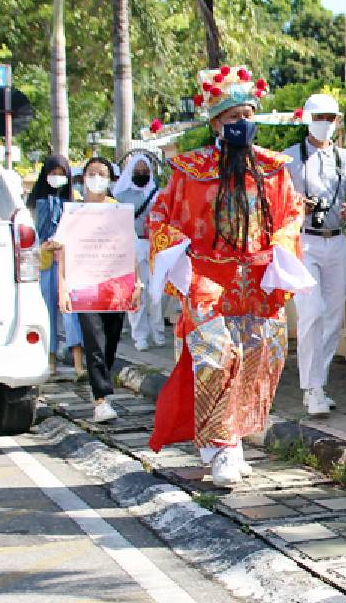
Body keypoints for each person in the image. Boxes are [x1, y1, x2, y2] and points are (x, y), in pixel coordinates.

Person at [147, 64, 310, 488]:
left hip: (258, 278)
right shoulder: (189, 170)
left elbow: (292, 215)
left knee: (261, 359)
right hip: (207, 277)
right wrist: (179, 255)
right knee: (216, 357)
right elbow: (162, 218)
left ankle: (232, 439)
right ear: (216, 122)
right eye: (235, 116)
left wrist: (282, 250)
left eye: (248, 114)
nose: (244, 123)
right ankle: (220, 447)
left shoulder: (274, 169)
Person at [283, 93, 346, 416]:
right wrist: (296, 205)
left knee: (333, 315)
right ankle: (312, 387)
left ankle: (318, 382)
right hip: (303, 241)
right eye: (319, 117)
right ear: (307, 119)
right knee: (312, 311)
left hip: (336, 241)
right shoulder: (289, 159)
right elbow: (273, 201)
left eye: (330, 118)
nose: (325, 124)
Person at [49, 156, 138, 423]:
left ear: (110, 179)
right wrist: (63, 287)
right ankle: (101, 399)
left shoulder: (119, 211)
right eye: (92, 173)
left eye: (102, 173)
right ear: (83, 178)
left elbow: (129, 249)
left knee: (110, 341)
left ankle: (102, 387)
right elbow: (62, 251)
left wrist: (138, 284)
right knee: (94, 341)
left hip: (116, 286)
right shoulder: (74, 213)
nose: (96, 178)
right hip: (85, 286)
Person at [29, 154, 85, 380]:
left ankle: (78, 362)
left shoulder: (74, 202)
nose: (57, 178)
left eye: (61, 173)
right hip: (44, 261)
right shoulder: (34, 203)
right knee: (48, 309)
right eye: (52, 173)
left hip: (68, 261)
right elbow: (30, 232)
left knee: (71, 311)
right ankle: (49, 358)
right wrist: (44, 247)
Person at [114, 150, 166, 351]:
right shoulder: (121, 195)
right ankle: (140, 336)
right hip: (133, 246)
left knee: (157, 293)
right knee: (137, 292)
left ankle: (158, 332)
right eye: (138, 170)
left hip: (157, 247)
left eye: (145, 170)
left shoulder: (159, 194)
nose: (142, 173)